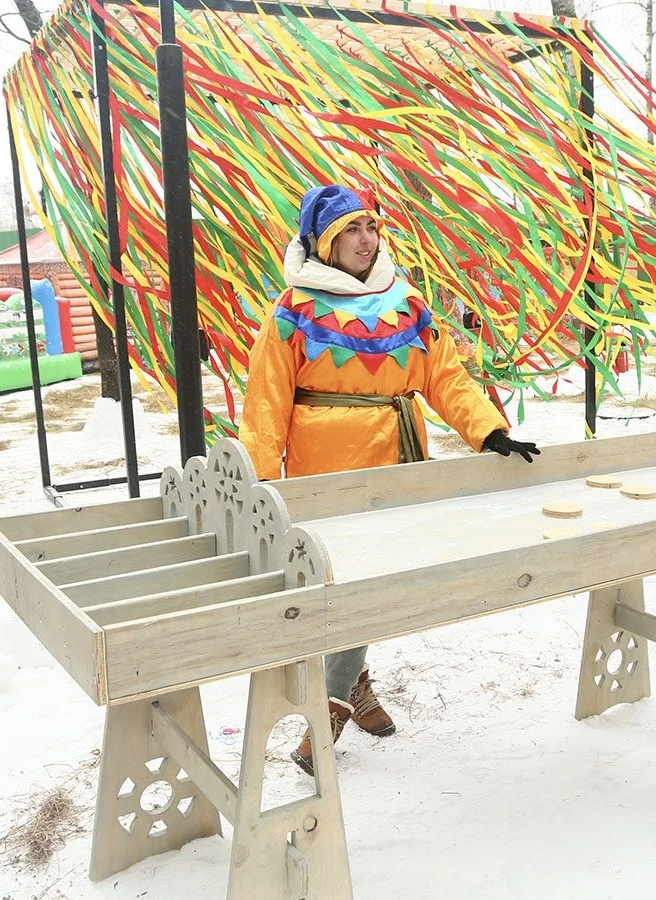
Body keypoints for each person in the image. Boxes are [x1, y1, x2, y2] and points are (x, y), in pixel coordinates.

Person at [239, 184, 540, 775]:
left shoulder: (407, 305)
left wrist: (488, 431)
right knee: (344, 587)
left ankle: (348, 687)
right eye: (351, 230)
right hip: (326, 476)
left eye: (371, 227)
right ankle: (336, 702)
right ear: (325, 242)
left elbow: (445, 377)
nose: (365, 239)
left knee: (372, 585)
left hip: (398, 465)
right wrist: (261, 487)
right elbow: (266, 406)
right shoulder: (292, 311)